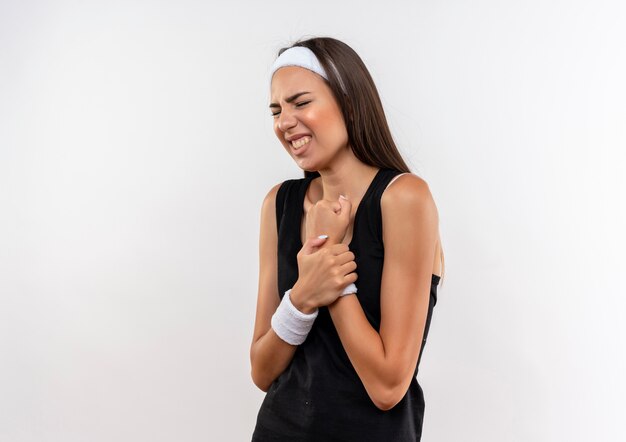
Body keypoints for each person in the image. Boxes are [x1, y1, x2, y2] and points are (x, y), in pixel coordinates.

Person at [250, 37, 444, 441]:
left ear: (349, 102)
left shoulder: (404, 198)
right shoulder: (278, 205)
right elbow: (262, 370)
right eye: (276, 110)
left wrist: (328, 252)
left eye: (300, 103)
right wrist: (303, 296)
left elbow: (388, 387)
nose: (284, 121)